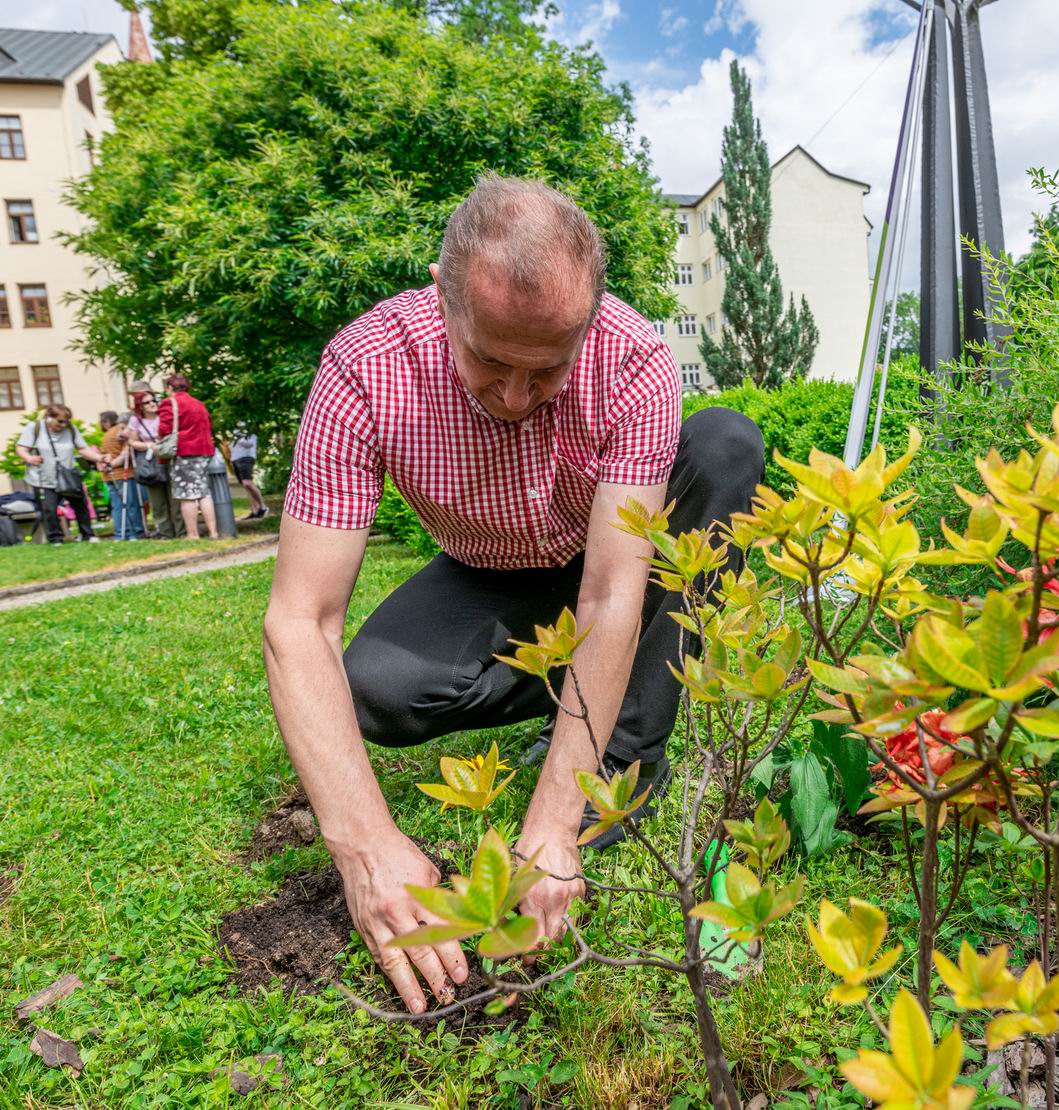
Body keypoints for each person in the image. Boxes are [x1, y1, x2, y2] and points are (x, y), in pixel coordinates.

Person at [263, 173, 763, 1016]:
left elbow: (612, 595)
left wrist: (557, 819)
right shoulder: (366, 366)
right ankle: (571, 708)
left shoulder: (632, 358)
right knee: (374, 689)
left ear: (590, 323)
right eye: (491, 362)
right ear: (443, 298)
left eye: (548, 370)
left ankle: (625, 755)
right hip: (490, 568)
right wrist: (365, 845)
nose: (519, 398)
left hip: (613, 555)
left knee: (723, 447)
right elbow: (299, 619)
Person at [16, 404, 102, 544]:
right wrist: (30, 458)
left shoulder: (71, 429)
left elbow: (83, 449)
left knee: (81, 506)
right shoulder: (35, 428)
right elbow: (21, 449)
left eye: (66, 421)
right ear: (49, 418)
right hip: (42, 478)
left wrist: (100, 458)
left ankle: (88, 535)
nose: (63, 425)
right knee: (49, 509)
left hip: (67, 476)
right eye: (60, 421)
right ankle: (55, 538)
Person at [155, 374, 219, 540]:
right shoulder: (198, 403)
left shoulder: (170, 403)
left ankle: (192, 534)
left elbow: (164, 429)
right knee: (204, 492)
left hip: (184, 451)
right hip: (204, 450)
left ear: (169, 387)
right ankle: (213, 532)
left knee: (187, 494)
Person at [125, 387, 185, 539]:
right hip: (150, 460)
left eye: (154, 400)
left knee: (175, 498)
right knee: (157, 500)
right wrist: (148, 446)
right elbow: (132, 441)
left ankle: (181, 531)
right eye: (147, 402)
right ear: (140, 406)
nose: (152, 404)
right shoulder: (135, 420)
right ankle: (165, 532)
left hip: (168, 458)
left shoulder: (164, 416)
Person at [98, 411, 144, 542]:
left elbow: (101, 456)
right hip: (124, 474)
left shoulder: (106, 435)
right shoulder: (121, 432)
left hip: (108, 475)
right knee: (131, 505)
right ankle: (136, 532)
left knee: (117, 506)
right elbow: (125, 453)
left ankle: (121, 533)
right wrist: (112, 464)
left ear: (106, 422)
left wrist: (105, 465)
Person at [227, 432, 268, 520]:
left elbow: (250, 443)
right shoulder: (234, 426)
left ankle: (263, 507)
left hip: (246, 457)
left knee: (247, 483)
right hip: (235, 458)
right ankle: (255, 510)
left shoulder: (249, 425)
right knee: (245, 486)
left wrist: (238, 436)